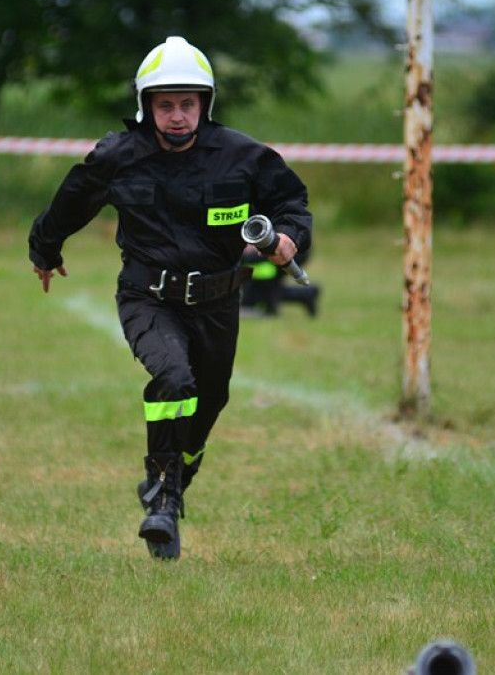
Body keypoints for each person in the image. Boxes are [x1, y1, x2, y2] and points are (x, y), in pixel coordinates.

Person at [28, 36, 313, 560]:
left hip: (219, 302)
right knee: (174, 378)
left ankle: (173, 481)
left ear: (205, 104)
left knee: (209, 402)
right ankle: (161, 501)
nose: (177, 116)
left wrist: (290, 236)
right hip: (148, 297)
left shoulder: (243, 156)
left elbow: (293, 202)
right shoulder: (118, 156)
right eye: (165, 105)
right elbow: (71, 202)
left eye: (187, 103)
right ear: (146, 105)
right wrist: (45, 249)